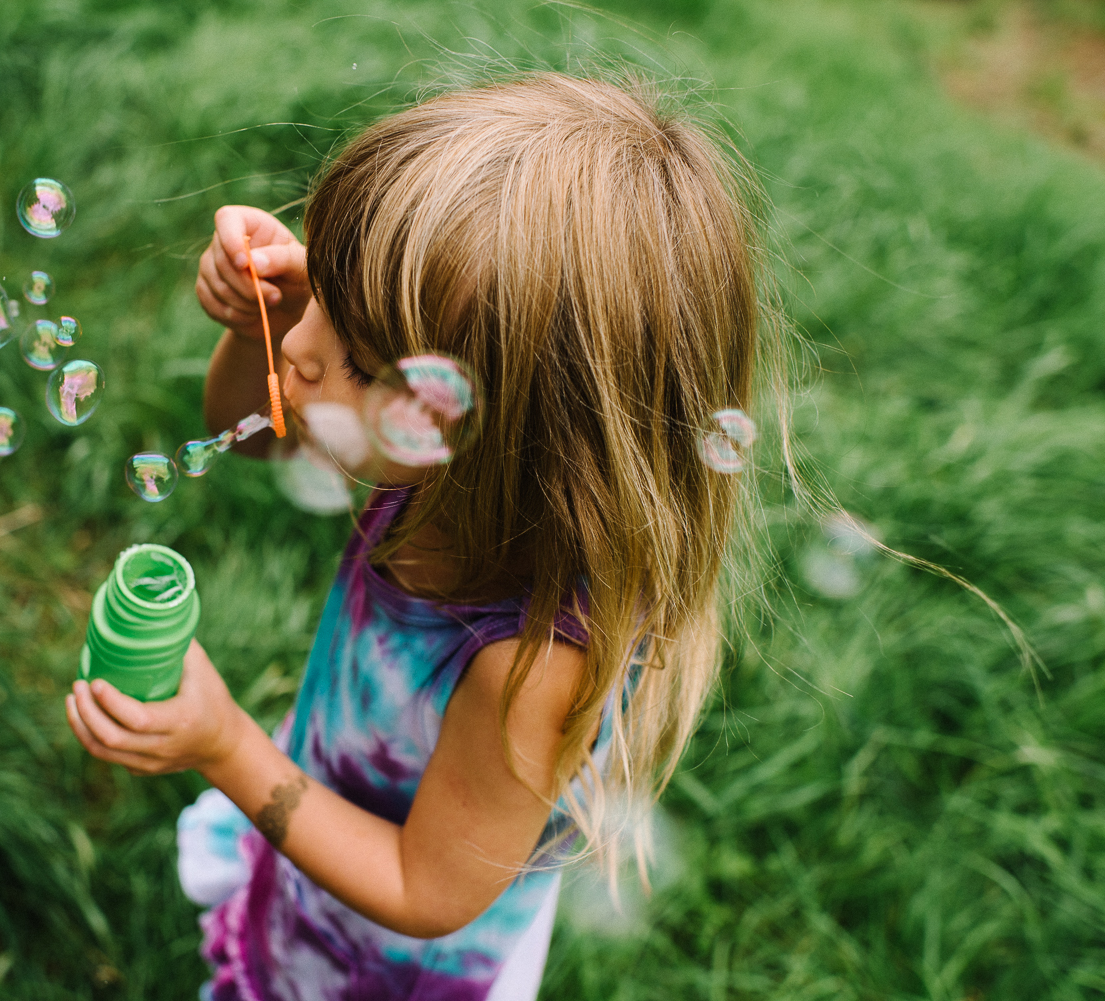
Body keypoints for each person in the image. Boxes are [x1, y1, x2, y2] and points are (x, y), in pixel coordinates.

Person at [67, 72, 769, 1000]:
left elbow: (425, 887)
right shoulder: (449, 467)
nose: (300, 352)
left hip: (387, 969)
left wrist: (228, 747)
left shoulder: (533, 659)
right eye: (324, 293)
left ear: (516, 441)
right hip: (326, 827)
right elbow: (244, 426)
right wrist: (258, 323)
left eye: (355, 354)